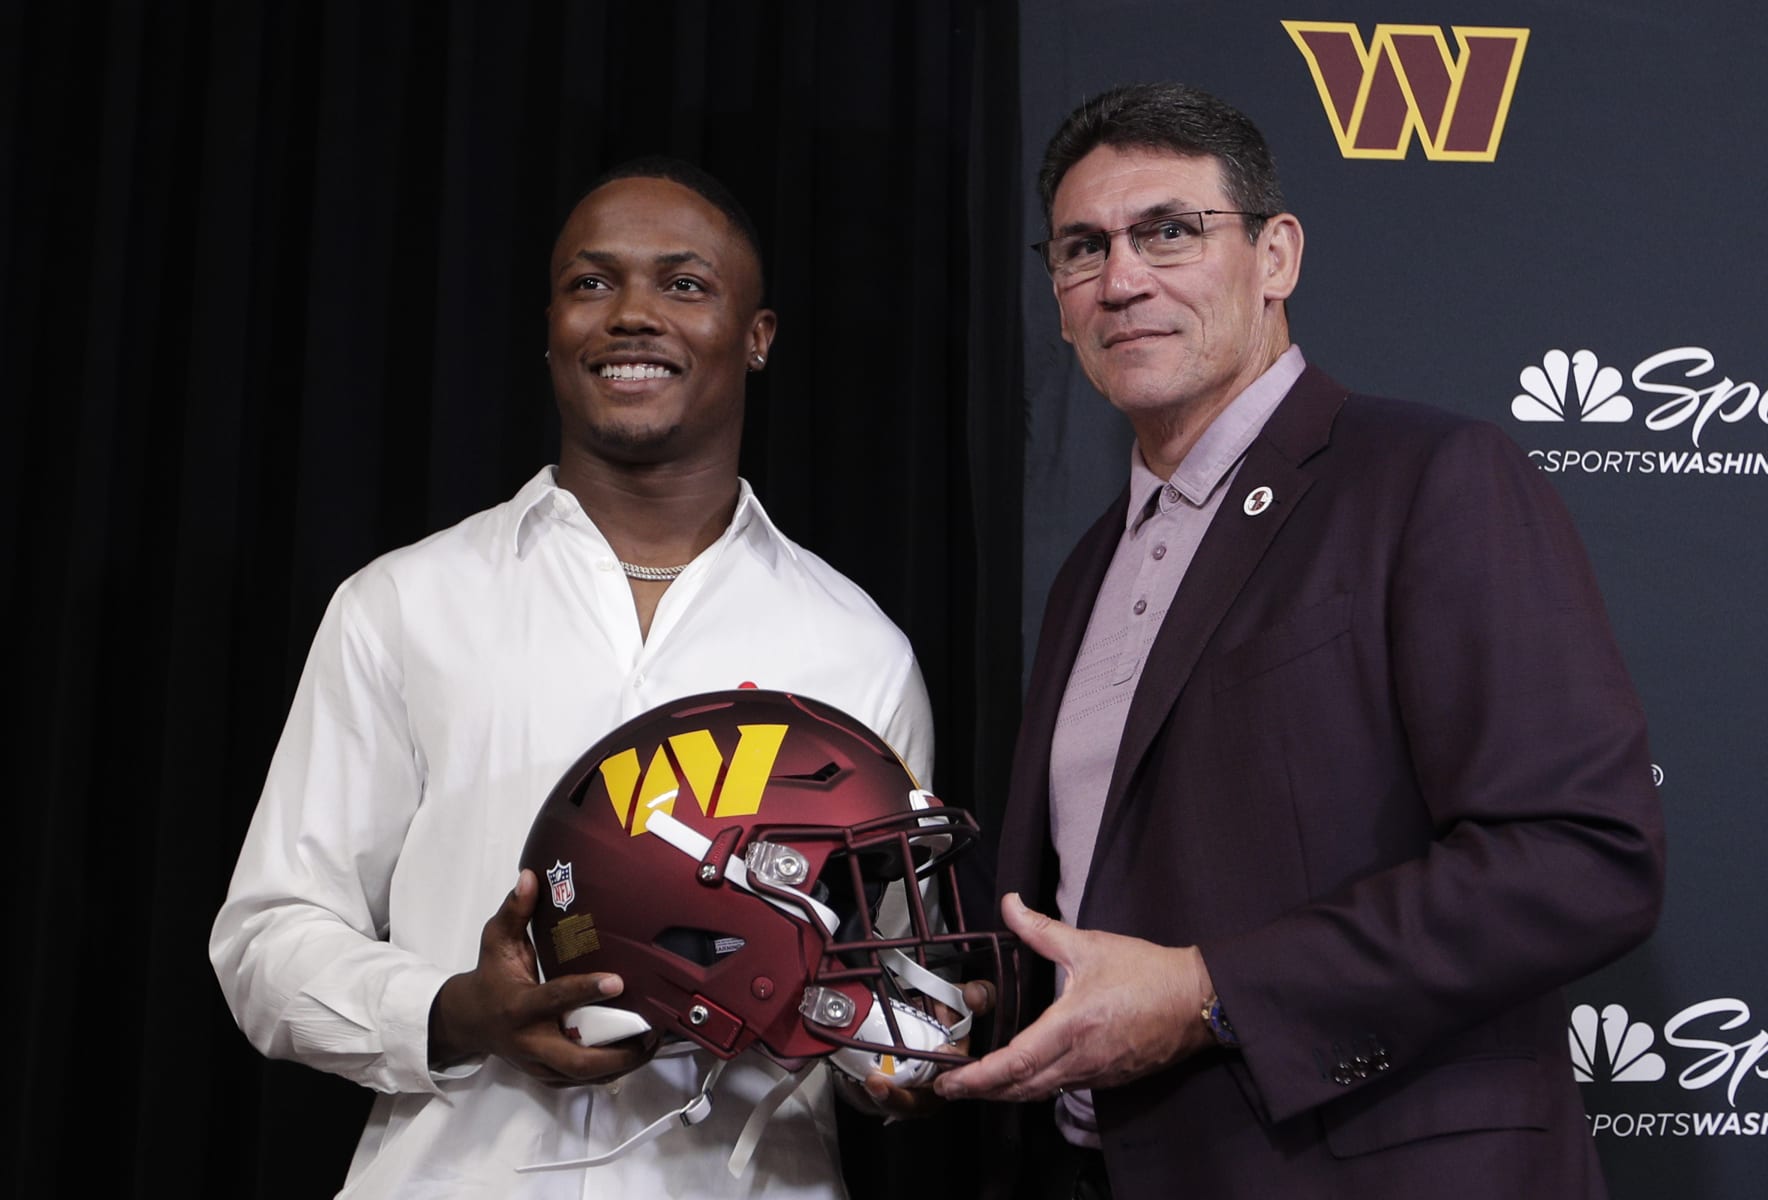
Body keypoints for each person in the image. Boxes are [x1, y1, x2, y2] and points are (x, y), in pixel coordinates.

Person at [932, 83, 1665, 1199]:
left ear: (1275, 256)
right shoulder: (1089, 566)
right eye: (1084, 249)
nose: (1123, 279)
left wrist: (1207, 988)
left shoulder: (1427, 479)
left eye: (1170, 231)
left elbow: (1582, 856)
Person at [209, 157, 935, 1198]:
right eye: (592, 284)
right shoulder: (404, 604)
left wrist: (903, 1053)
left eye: (684, 284)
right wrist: (459, 1011)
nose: (633, 314)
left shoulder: (857, 649)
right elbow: (268, 939)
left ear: (758, 336)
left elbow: (873, 1006)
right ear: (550, 329)